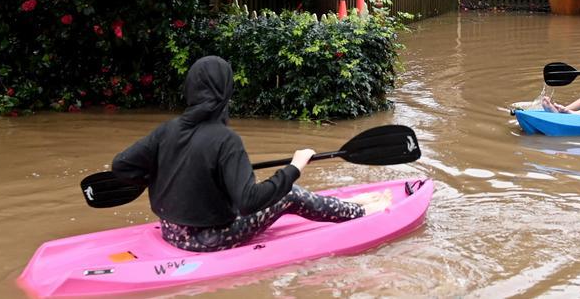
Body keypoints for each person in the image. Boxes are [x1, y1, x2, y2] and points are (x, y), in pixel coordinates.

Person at [111, 55, 390, 253]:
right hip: (208, 240)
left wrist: (162, 172)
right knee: (290, 193)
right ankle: (361, 212)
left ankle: (351, 208)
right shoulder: (226, 140)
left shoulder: (166, 130)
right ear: (226, 90)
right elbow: (248, 203)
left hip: (170, 232)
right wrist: (294, 167)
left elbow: (121, 166)